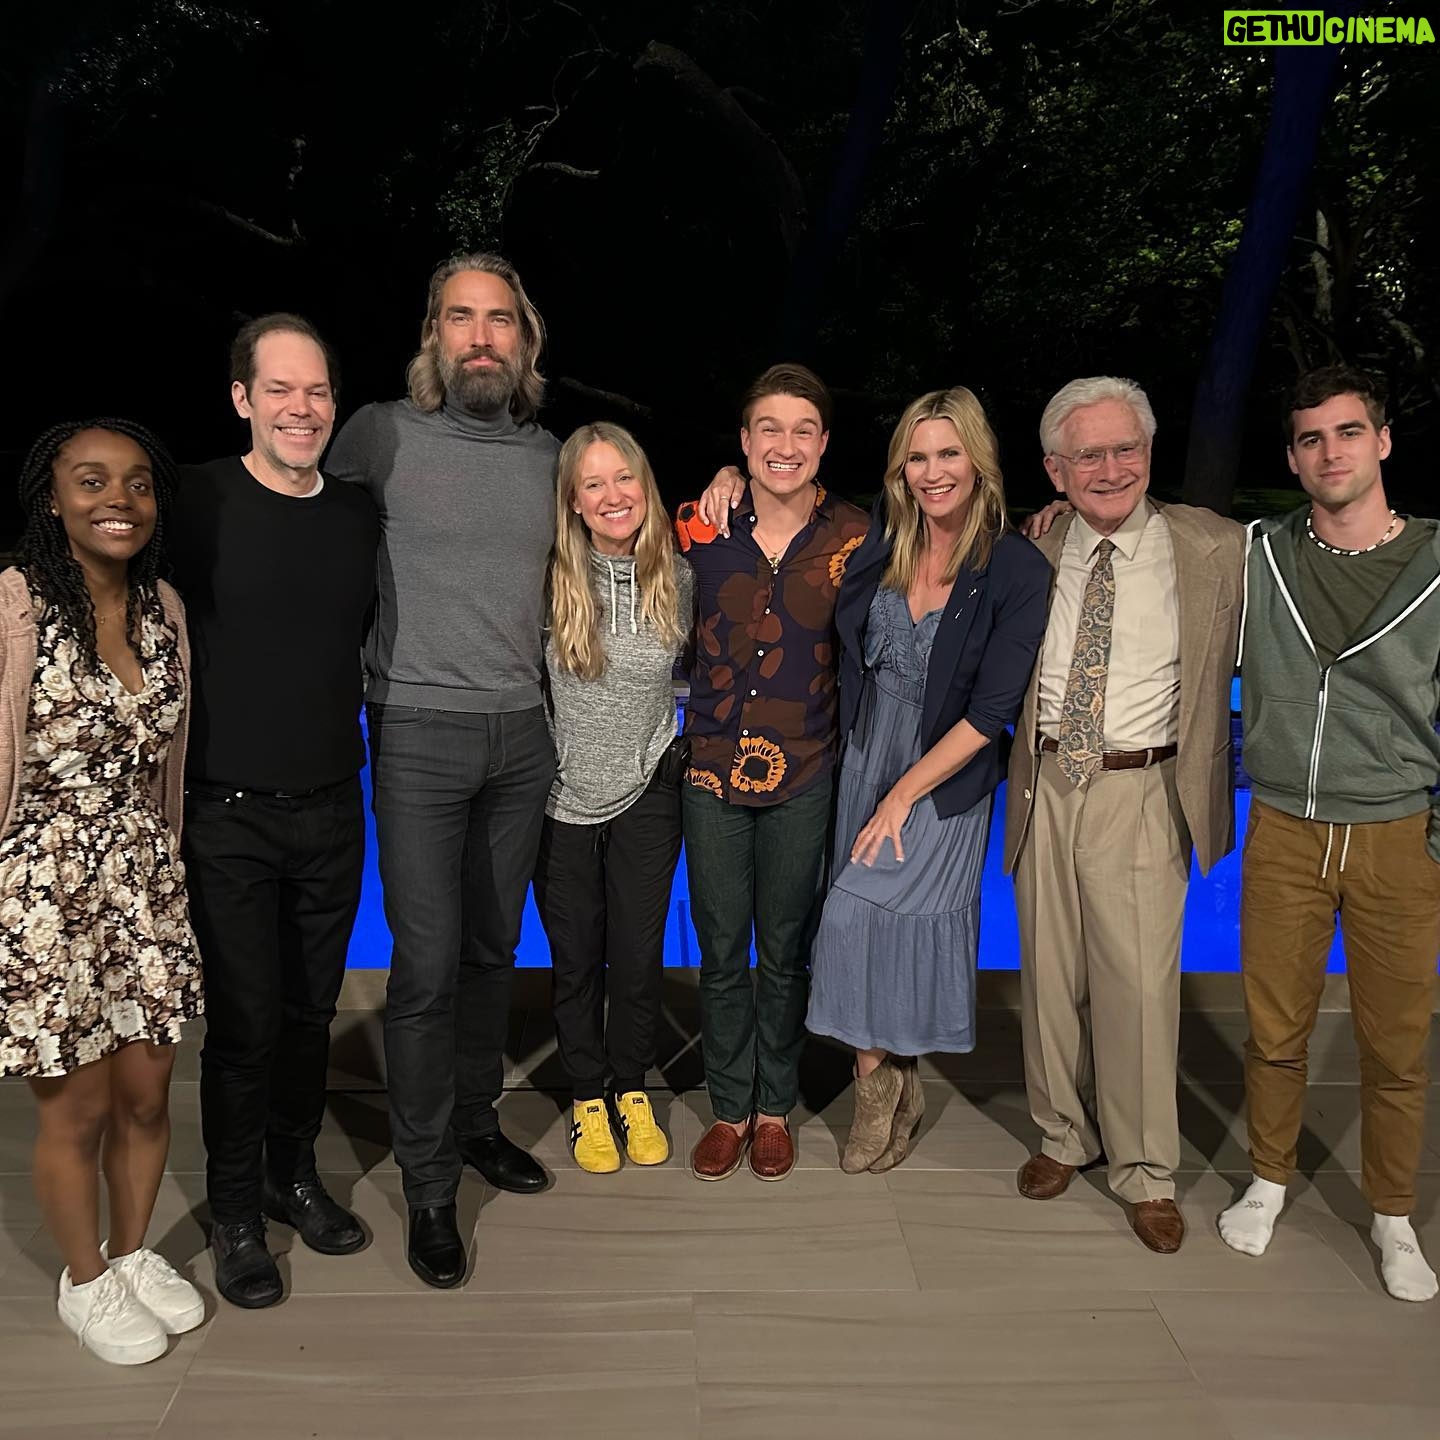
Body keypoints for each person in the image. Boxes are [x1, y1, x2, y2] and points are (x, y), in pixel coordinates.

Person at [325, 253, 560, 1287]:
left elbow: (632, 521)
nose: (480, 337)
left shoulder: (549, 454)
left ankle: (472, 1122)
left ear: (524, 340)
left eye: (499, 320)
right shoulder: (380, 435)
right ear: (433, 335)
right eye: (460, 318)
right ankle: (428, 1186)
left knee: (492, 951)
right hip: (417, 730)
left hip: (524, 733)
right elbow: (300, 521)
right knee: (423, 967)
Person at [1005, 376, 1244, 1253]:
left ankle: (1145, 1171)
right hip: (1044, 781)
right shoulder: (1030, 549)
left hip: (1145, 786)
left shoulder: (1213, 548)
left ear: (1148, 451)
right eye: (1088, 455)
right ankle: (1064, 1135)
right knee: (1050, 975)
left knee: (1138, 989)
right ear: (1055, 471)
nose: (1110, 469)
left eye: (1126, 449)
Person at [169, 315, 379, 1309]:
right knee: (245, 1023)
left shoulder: (358, 513)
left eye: (318, 390)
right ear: (242, 398)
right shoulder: (192, 499)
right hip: (227, 813)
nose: (303, 408)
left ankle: (293, 1177)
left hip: (334, 805)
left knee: (309, 1014)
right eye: (281, 389)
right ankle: (235, 1212)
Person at [1219, 365, 1440, 1303]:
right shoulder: (1261, 552)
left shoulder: (1434, 563)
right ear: (1292, 458)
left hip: (1397, 833)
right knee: (1275, 1028)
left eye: (1349, 432)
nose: (1330, 451)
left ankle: (1392, 1214)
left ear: (1382, 442)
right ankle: (1269, 1179)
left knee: (1397, 1043)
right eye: (1311, 438)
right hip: (1285, 827)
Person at [0, 420, 203, 1363]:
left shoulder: (165, 607)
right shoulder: (14, 604)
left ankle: (129, 1253)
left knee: (149, 1092)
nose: (118, 499)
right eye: (91, 480)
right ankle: (84, 1282)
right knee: (75, 1107)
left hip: (143, 872)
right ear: (52, 498)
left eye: (137, 483)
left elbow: (165, 758)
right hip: (43, 884)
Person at [807, 388, 1049, 1171]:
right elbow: (796, 499)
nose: (933, 472)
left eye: (949, 454)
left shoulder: (1015, 567)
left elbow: (992, 713)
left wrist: (902, 795)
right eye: (917, 457)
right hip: (866, 753)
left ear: (979, 461)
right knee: (865, 927)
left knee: (853, 918)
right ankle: (897, 1083)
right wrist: (729, 479)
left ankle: (873, 1087)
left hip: (944, 775)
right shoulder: (882, 537)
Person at [677, 363, 869, 1182]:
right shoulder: (700, 526)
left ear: (822, 444)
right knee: (722, 949)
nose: (784, 445)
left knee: (786, 950)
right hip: (711, 774)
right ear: (744, 441)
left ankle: (773, 1110)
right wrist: (719, 480)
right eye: (768, 429)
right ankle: (728, 1107)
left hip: (806, 774)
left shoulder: (858, 537)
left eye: (802, 430)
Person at [532, 423, 695, 1173]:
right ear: (572, 499)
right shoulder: (546, 579)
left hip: (650, 791)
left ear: (645, 485)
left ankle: (630, 1088)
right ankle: (586, 1098)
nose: (612, 495)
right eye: (593, 483)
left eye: (624, 477)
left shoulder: (679, 577)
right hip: (561, 799)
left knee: (635, 957)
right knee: (576, 962)